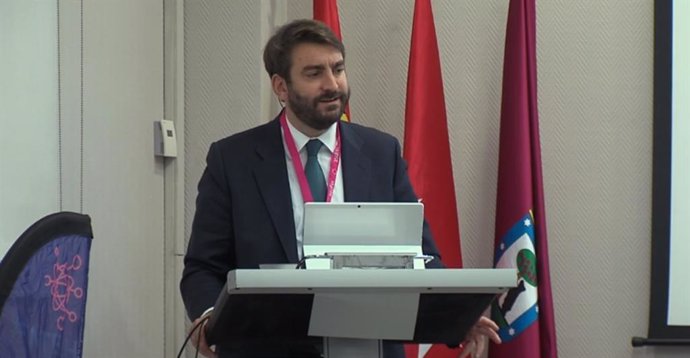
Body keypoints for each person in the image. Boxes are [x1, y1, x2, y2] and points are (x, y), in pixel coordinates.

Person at [180, 18, 500, 358]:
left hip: (370, 345)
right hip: (267, 347)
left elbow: (422, 258)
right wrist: (208, 316)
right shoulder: (233, 160)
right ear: (281, 87)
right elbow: (203, 266)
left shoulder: (381, 153)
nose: (333, 84)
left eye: (338, 69)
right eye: (314, 73)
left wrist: (457, 317)